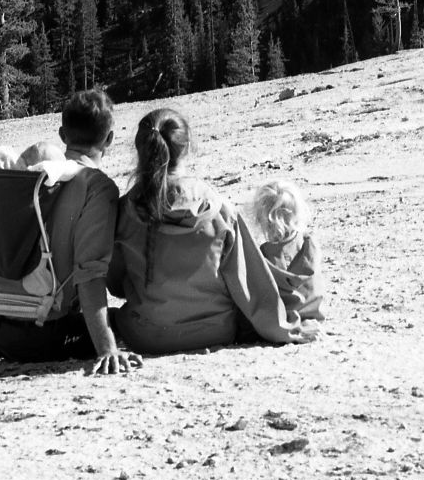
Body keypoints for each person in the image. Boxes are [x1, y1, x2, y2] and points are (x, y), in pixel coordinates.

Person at [0, 88, 139, 375]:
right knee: (128, 321)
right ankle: (8, 349)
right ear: (109, 139)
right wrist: (107, 348)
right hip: (40, 332)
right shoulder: (98, 188)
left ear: (63, 135)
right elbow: (90, 274)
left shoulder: (33, 178)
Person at [109, 107, 299, 355]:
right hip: (215, 331)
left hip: (145, 336)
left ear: (140, 150)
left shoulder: (124, 211)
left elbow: (116, 286)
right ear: (188, 147)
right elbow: (248, 283)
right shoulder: (218, 209)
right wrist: (284, 328)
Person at [244, 175, 325, 331]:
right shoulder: (310, 245)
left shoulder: (264, 256)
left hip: (279, 320)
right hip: (313, 313)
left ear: (261, 220)